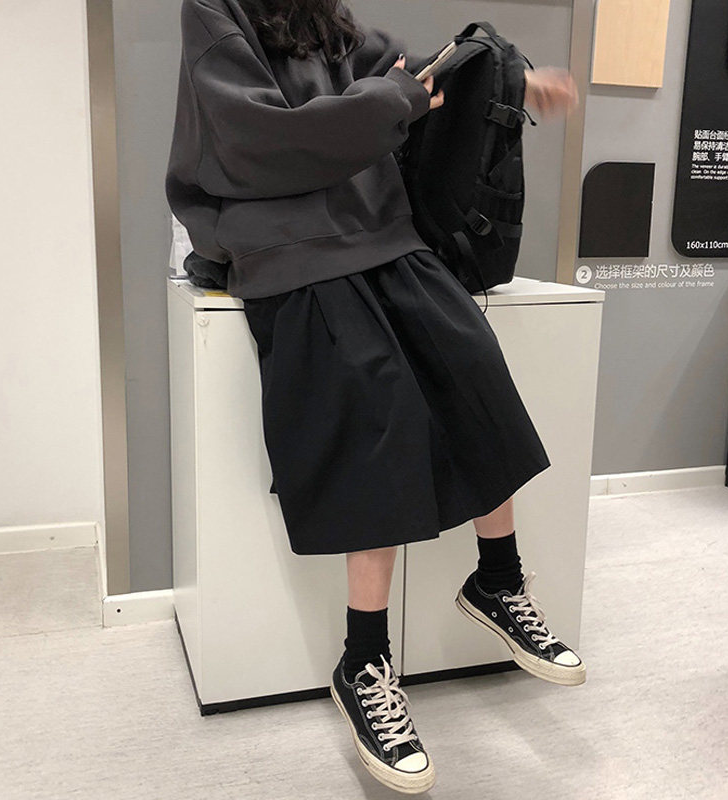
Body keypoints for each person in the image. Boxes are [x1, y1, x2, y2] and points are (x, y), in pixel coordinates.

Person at [165, 0, 580, 793]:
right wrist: (388, 101)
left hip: (378, 229)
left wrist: (510, 81)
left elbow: (410, 69)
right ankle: (363, 662)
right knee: (374, 410)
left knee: (472, 366)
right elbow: (255, 136)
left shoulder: (322, 13)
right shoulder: (216, 9)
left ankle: (498, 578)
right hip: (284, 243)